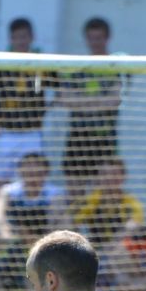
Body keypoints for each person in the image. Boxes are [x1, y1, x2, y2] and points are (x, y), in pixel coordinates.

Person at [0, 151, 67, 291]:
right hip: (11, 248)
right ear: (20, 171)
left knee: (37, 287)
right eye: (27, 166)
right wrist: (4, 230)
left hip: (42, 254)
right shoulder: (9, 191)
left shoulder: (55, 194)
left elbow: (57, 225)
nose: (32, 171)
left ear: (45, 172)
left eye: (36, 167)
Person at [0, 18, 48, 186]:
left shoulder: (42, 63)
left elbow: (61, 90)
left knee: (32, 181)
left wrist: (49, 108)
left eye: (24, 37)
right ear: (10, 39)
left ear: (31, 37)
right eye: (16, 37)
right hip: (4, 133)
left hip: (32, 134)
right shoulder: (1, 63)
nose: (20, 41)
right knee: (0, 182)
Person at [57, 17, 123, 197]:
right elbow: (64, 100)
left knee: (99, 198)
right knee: (74, 197)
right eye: (91, 38)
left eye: (99, 38)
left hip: (104, 139)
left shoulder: (115, 66)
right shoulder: (76, 67)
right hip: (77, 138)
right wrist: (98, 102)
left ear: (107, 38)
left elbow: (115, 100)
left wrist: (81, 102)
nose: (95, 43)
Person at [70, 156, 142, 253]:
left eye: (114, 174)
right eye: (105, 174)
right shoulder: (91, 199)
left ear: (123, 177)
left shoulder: (131, 202)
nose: (109, 178)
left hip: (118, 251)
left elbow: (135, 224)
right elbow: (71, 221)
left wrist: (113, 246)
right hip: (93, 250)